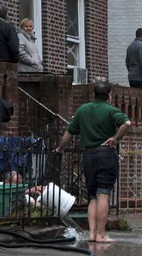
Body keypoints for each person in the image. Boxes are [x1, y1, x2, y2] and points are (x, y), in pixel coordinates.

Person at [55, 81, 132, 243]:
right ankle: (101, 235)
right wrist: (116, 138)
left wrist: (60, 149)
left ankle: (91, 234)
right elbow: (126, 123)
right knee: (103, 194)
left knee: (92, 196)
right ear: (109, 95)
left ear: (94, 94)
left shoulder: (83, 110)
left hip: (88, 155)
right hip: (106, 154)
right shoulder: (111, 110)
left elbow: (69, 132)